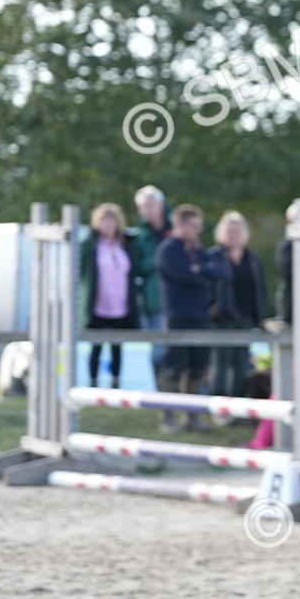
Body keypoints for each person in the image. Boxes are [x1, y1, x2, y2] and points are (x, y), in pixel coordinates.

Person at [156, 204, 225, 433]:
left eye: (199, 226)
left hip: (200, 315)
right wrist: (200, 272)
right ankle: (168, 417)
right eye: (193, 226)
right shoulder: (168, 249)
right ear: (179, 224)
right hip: (177, 316)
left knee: (198, 367)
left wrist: (198, 269)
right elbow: (182, 274)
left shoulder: (198, 251)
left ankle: (192, 416)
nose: (197, 231)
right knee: (174, 367)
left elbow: (219, 273)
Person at [80, 203, 140, 388]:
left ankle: (116, 382)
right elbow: (81, 272)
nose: (108, 225)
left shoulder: (126, 244)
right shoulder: (90, 245)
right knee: (96, 346)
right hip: (98, 303)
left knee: (117, 346)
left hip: (120, 303)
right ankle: (93, 382)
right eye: (104, 220)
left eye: (111, 220)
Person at [208, 210, 266, 399]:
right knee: (221, 360)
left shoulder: (252, 259)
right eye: (229, 230)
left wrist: (260, 316)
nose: (233, 234)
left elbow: (259, 287)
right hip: (222, 317)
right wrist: (213, 307)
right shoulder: (214, 256)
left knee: (241, 360)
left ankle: (240, 400)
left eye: (237, 230)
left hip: (246, 316)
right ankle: (219, 401)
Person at [133, 185, 172, 379]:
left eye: (151, 205)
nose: (148, 210)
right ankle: (160, 390)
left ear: (161, 205)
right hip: (154, 300)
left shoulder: (176, 229)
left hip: (178, 299)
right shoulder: (139, 237)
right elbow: (137, 266)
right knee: (158, 348)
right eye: (144, 206)